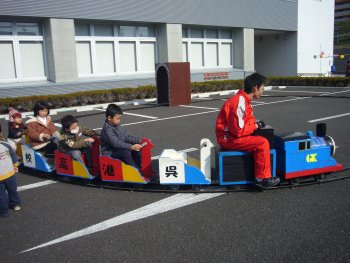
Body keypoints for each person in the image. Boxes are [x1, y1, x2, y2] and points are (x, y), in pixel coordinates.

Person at [215, 73, 280, 188]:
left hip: (231, 136)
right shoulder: (239, 102)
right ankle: (262, 178)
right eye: (262, 87)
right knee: (262, 143)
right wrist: (255, 126)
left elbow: (248, 121)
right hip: (229, 138)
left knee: (261, 139)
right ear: (255, 88)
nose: (263, 90)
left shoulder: (244, 101)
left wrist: (256, 125)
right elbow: (238, 131)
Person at [100, 104, 142, 169]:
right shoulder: (107, 130)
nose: (119, 120)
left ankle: (139, 166)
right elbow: (116, 143)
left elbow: (126, 136)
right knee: (125, 152)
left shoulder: (117, 125)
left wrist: (139, 140)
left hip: (118, 149)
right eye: (117, 118)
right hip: (110, 152)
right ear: (109, 118)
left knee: (135, 147)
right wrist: (131, 147)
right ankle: (134, 169)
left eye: (120, 118)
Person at [0, 124, 21, 218]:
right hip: (9, 173)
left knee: (5, 193)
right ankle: (13, 205)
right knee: (11, 191)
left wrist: (15, 165)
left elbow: (13, 155)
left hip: (9, 173)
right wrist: (15, 165)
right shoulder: (5, 144)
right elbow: (13, 155)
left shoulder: (5, 145)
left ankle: (6, 210)